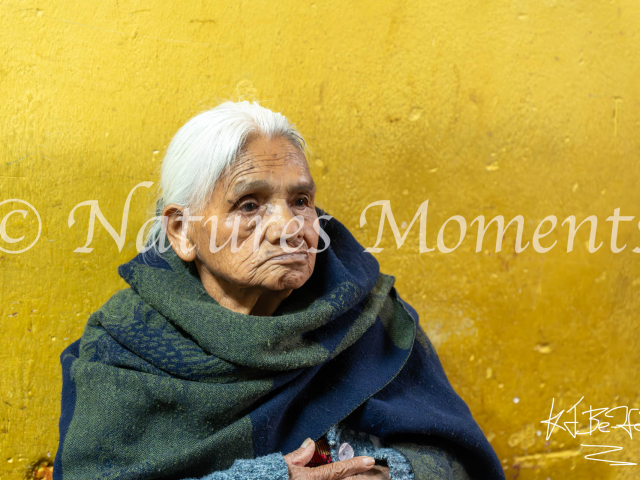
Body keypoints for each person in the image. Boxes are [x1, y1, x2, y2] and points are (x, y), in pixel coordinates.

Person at [53, 101, 505, 480]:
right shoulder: (127, 348)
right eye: (249, 204)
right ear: (182, 231)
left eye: (301, 202)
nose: (289, 228)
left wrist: (389, 473)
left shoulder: (367, 318)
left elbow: (460, 458)